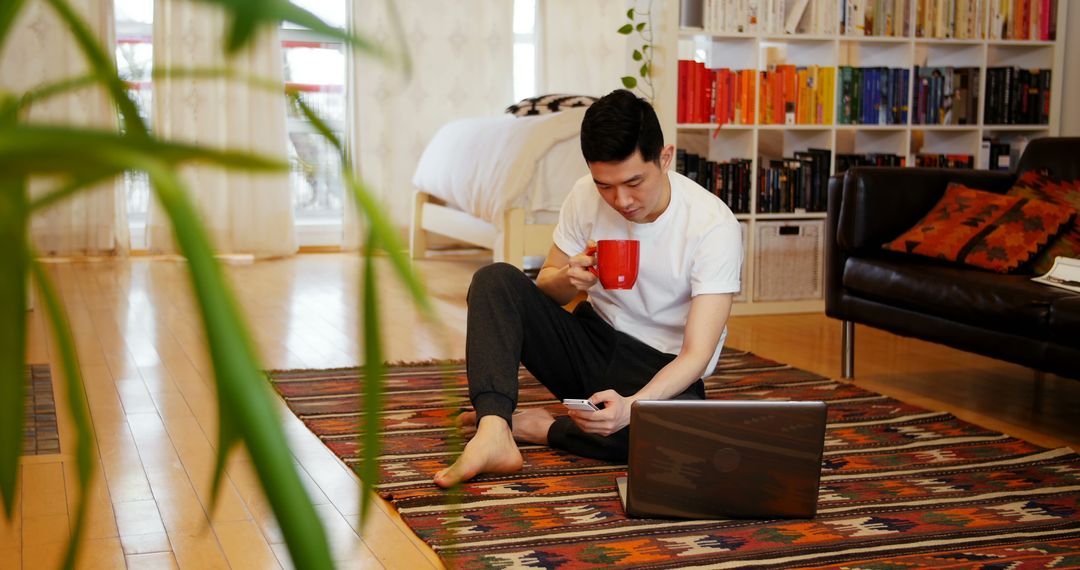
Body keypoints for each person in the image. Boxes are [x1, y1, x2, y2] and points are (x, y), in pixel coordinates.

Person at [433, 89, 743, 488]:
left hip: (658, 367)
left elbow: (697, 354)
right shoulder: (584, 194)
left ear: (664, 158)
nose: (622, 200)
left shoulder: (713, 226)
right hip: (590, 342)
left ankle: (541, 428)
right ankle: (494, 430)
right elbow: (547, 288)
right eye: (605, 186)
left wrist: (631, 408)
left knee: (682, 442)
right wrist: (567, 278)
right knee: (495, 281)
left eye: (634, 182)